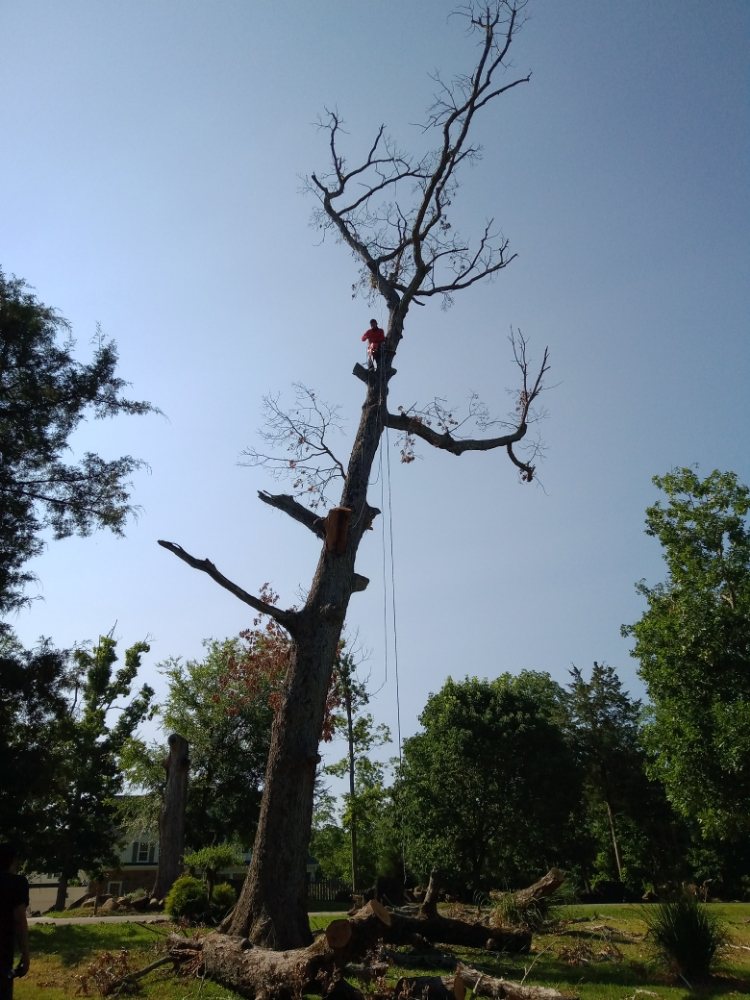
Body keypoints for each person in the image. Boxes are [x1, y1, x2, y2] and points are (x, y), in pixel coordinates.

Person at [0, 843, 29, 1000]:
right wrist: (25, 955)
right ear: (12, 861)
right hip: (3, 954)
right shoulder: (17, 883)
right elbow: (19, 919)